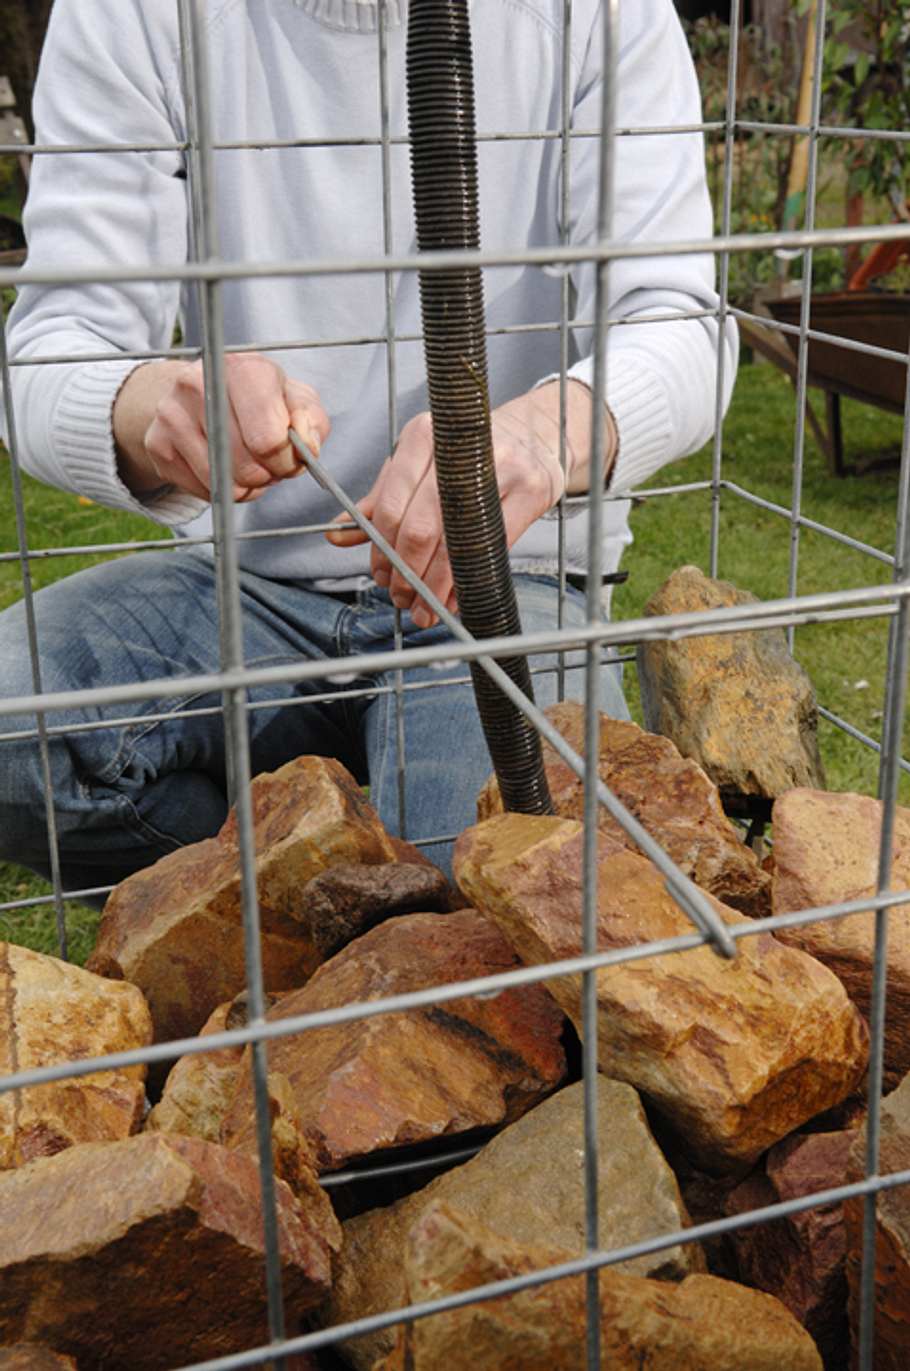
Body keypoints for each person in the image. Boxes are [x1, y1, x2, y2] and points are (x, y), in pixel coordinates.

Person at [0, 0, 736, 891]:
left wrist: (539, 439)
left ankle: (313, 898)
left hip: (507, 586)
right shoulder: (136, 12)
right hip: (240, 588)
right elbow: (51, 348)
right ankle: (256, 896)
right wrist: (156, 405)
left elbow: (681, 327)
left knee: (481, 891)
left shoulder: (597, 12)